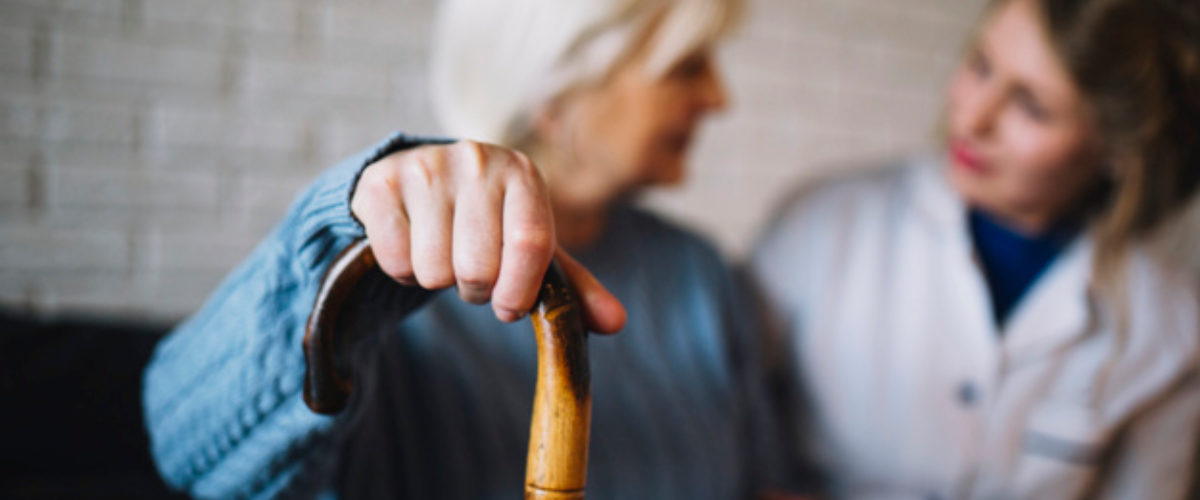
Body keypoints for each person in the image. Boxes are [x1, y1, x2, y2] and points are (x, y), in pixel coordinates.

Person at [142, 0, 801, 498]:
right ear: (559, 87)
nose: (718, 98)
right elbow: (187, 452)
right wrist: (347, 250)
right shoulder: (397, 283)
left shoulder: (700, 274)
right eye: (687, 66)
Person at [747, 0, 1200, 497]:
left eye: (1032, 107)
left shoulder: (1169, 329)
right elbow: (728, 442)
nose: (974, 117)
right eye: (981, 66)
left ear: (1115, 149)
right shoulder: (820, 226)